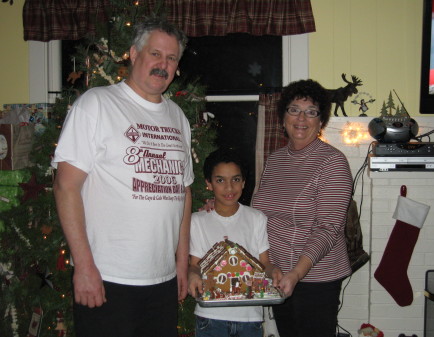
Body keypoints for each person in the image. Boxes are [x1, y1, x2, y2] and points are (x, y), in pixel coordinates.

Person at [52, 18, 192, 337]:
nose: (163, 64)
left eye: (171, 58)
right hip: (107, 278)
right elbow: (65, 186)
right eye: (155, 54)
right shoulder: (97, 104)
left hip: (162, 281)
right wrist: (84, 266)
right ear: (133, 53)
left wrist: (181, 263)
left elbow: (183, 193)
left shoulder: (178, 118)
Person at [251, 79, 353, 337]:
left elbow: (328, 228)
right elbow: (259, 215)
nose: (301, 118)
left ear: (321, 121)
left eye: (311, 111)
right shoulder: (274, 160)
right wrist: (218, 206)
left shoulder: (333, 163)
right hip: (279, 274)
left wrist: (297, 274)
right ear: (283, 116)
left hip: (315, 278)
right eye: (294, 109)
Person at [188, 148, 282, 337]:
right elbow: (194, 266)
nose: (229, 188)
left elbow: (264, 264)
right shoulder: (197, 221)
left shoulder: (256, 218)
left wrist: (274, 272)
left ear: (244, 182)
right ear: (209, 183)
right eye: (220, 180)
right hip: (210, 316)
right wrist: (192, 275)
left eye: (236, 180)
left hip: (250, 317)